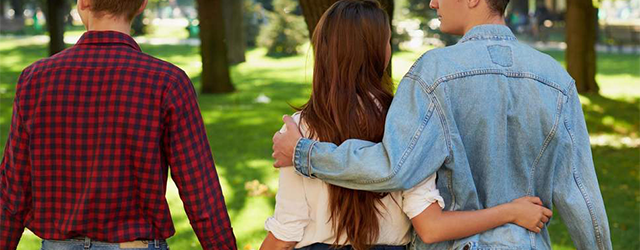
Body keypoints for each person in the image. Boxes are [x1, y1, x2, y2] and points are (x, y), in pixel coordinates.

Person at [272, 0, 612, 249]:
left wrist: (306, 154)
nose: (433, 2)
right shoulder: (557, 80)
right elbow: (582, 195)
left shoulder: (432, 73)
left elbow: (395, 167)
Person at [0, 0, 236, 249]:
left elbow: (12, 190)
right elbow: (200, 190)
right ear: (142, 5)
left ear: (83, 2)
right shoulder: (166, 82)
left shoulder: (36, 79)